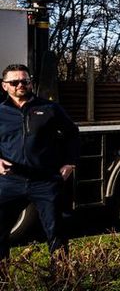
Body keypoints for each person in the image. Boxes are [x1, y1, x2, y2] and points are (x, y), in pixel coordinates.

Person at [0, 64, 80, 260]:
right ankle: (3, 281)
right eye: (14, 82)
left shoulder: (50, 108)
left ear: (30, 82)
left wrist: (70, 162)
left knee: (56, 233)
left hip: (46, 181)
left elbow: (72, 133)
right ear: (4, 86)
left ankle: (62, 281)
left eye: (25, 81)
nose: (20, 85)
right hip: (10, 182)